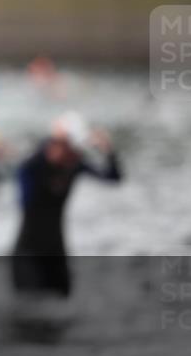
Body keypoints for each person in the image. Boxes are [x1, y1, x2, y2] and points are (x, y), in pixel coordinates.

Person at [11, 111, 123, 298]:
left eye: (77, 152)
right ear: (56, 144)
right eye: (70, 150)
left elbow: (114, 177)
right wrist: (46, 157)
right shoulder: (32, 167)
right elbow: (24, 199)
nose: (74, 156)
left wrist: (108, 150)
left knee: (64, 305)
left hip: (56, 250)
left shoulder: (75, 164)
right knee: (33, 309)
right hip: (28, 253)